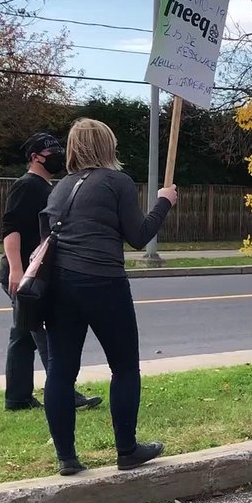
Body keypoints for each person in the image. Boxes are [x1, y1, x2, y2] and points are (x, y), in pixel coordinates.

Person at [40, 119, 178, 476]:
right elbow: (138, 235)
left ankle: (67, 457)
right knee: (124, 366)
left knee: (61, 370)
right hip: (103, 281)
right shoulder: (118, 182)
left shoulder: (60, 188)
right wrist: (164, 202)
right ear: (106, 147)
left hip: (59, 285)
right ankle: (127, 449)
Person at [0, 132, 100, 413]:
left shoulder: (46, 187)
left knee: (22, 335)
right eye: (49, 152)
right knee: (44, 332)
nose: (56, 156)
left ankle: (17, 398)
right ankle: (64, 392)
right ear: (34, 158)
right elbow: (11, 229)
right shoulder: (27, 186)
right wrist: (17, 270)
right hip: (28, 274)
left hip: (37, 271)